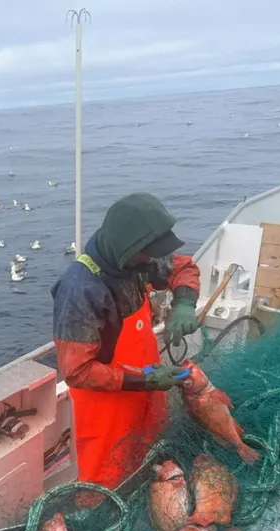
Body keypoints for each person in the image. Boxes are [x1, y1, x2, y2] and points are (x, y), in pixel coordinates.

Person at [51, 192, 201, 489]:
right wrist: (143, 381)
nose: (152, 259)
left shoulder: (136, 261)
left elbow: (183, 267)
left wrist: (184, 302)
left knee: (151, 467)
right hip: (108, 412)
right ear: (126, 248)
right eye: (147, 252)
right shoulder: (79, 291)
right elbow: (77, 371)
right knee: (105, 484)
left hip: (148, 394)